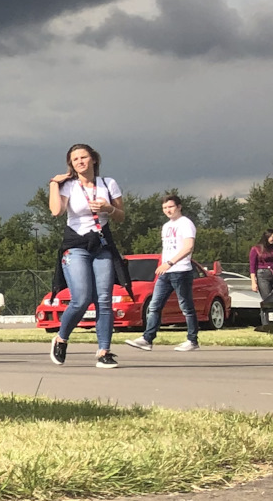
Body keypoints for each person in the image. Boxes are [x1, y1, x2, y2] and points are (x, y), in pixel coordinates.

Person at [47, 143, 126, 369]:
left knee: (103, 299)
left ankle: (104, 351)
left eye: (84, 157)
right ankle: (61, 338)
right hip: (76, 245)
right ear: (71, 165)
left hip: (101, 244)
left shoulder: (107, 183)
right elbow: (56, 211)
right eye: (75, 159)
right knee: (81, 299)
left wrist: (107, 208)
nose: (80, 161)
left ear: (93, 159)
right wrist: (54, 183)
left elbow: (121, 216)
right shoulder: (69, 186)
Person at [126, 194, 199, 352]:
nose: (168, 210)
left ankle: (192, 340)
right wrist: (164, 265)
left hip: (181, 271)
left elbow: (188, 247)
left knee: (186, 306)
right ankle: (147, 339)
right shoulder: (166, 226)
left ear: (179, 207)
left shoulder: (186, 223)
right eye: (165, 208)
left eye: (171, 207)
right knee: (154, 305)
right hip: (165, 273)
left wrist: (170, 262)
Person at [249, 228, 273, 301]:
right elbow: (252, 266)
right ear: (267, 237)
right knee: (267, 298)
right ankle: (266, 312)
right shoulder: (256, 249)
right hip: (262, 275)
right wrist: (253, 282)